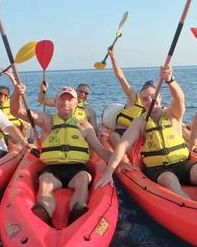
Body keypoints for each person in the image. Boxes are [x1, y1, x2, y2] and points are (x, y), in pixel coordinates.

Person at [95, 65, 197, 211]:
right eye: (145, 99)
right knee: (169, 179)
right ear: (142, 102)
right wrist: (109, 172)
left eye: (153, 97)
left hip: (181, 163)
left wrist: (170, 80)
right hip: (158, 169)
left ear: (159, 97)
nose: (150, 101)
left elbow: (179, 98)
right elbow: (123, 145)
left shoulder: (173, 113)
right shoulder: (140, 122)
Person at [11, 84, 124, 226]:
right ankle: (43, 213)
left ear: (76, 103)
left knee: (83, 179)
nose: (66, 103)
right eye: (62, 99)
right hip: (53, 169)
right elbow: (16, 111)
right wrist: (16, 93)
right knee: (45, 180)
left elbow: (101, 151)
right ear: (55, 102)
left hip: (77, 169)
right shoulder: (47, 120)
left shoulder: (85, 126)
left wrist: (121, 164)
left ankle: (78, 211)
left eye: (70, 100)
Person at [107, 47, 147, 145]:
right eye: (145, 91)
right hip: (120, 133)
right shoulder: (134, 98)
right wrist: (112, 57)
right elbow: (121, 78)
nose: (148, 96)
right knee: (114, 136)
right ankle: (123, 158)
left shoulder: (154, 106)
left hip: (137, 136)